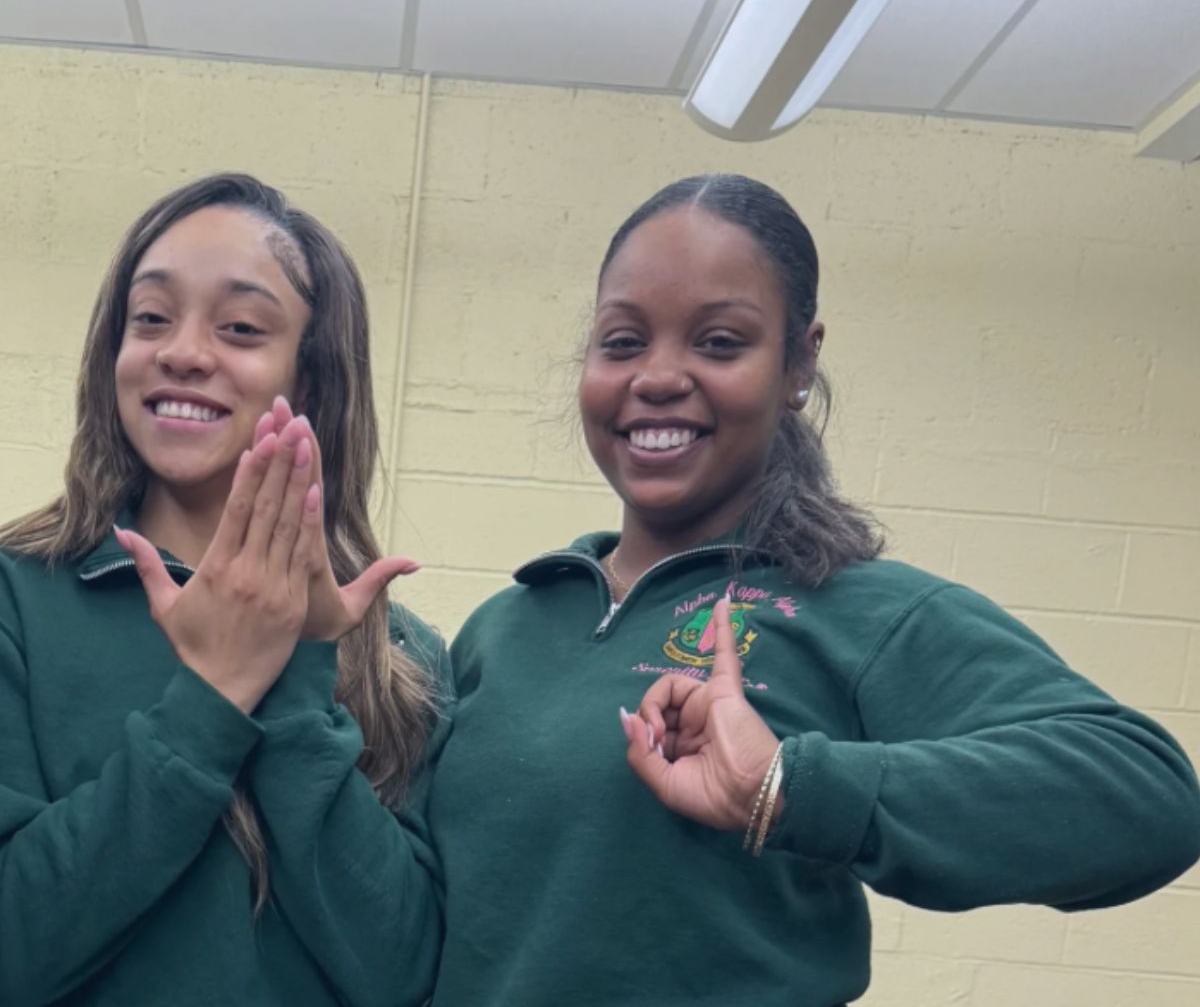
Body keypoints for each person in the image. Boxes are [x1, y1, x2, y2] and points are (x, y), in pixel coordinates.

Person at [428, 173, 1200, 1005]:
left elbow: (1146, 798)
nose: (658, 376)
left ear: (798, 363)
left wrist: (787, 788)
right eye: (623, 341)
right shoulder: (506, 626)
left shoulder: (855, 611)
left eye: (719, 342)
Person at [0, 173, 448, 1005]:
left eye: (240, 327)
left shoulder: (404, 655)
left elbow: (404, 973)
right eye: (151, 318)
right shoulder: (0, 602)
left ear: (311, 379)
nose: (182, 352)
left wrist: (296, 666)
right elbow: (10, 951)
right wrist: (211, 696)